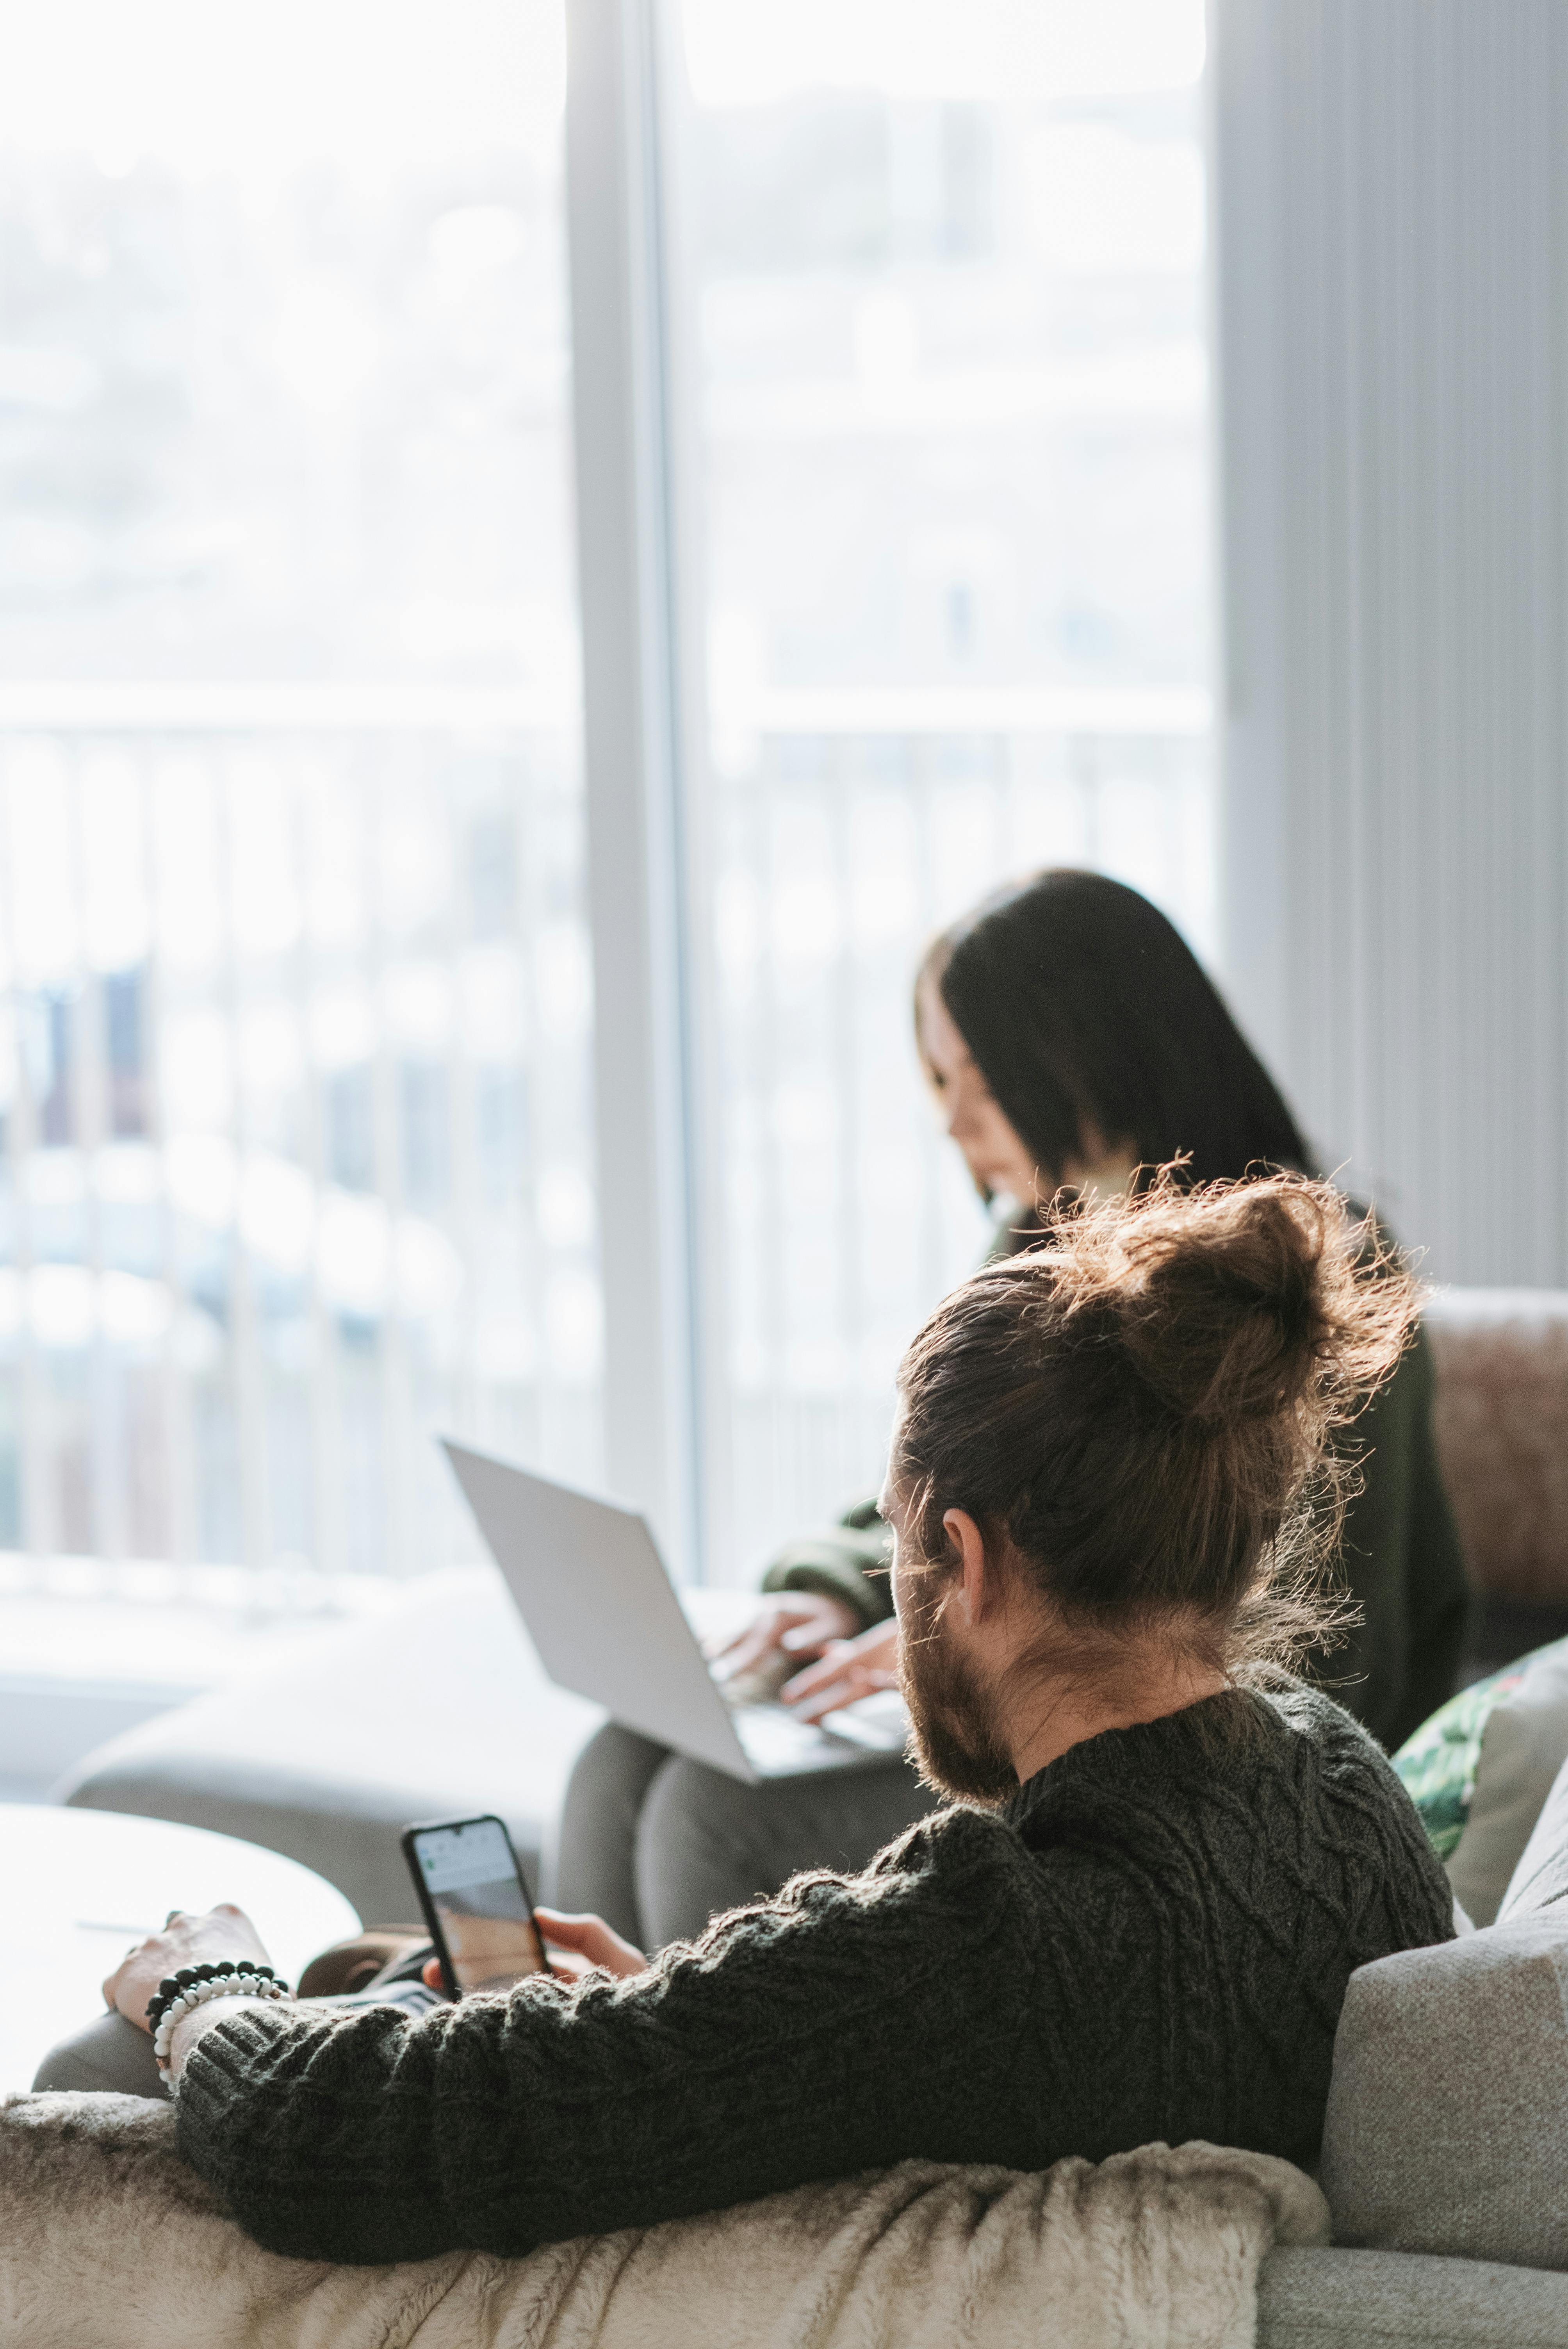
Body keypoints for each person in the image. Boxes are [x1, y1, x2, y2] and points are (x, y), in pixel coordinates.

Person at [59, 1172, 1452, 2264]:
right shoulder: (1342, 1789)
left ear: (965, 1563)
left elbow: (326, 2142)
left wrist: (203, 1988)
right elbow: (896, 2059)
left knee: (123, 2057)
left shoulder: (985, 1945)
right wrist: (671, 2025)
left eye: (901, 1551)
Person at [558, 870, 1471, 1946]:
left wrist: (964, 1645)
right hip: (1013, 1681)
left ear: (1093, 1049)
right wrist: (844, 1596)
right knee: (622, 1759)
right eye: (938, 1076)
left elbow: (1329, 1650)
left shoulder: (1307, 1289)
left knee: (705, 1820)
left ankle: (700, 2099)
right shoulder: (1047, 1230)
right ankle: (571, 2073)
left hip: (1157, 1754)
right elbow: (958, 1482)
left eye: (978, 1078)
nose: (950, 1120)